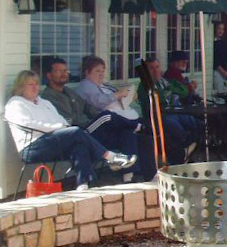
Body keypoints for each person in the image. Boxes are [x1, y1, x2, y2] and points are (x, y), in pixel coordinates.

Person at [6, 70, 136, 190]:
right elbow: (29, 124)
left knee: (78, 145)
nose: (35, 87)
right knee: (75, 132)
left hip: (52, 140)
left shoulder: (43, 102)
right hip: (32, 146)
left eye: (36, 84)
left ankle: (83, 186)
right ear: (21, 87)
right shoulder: (16, 104)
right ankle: (111, 157)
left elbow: (61, 119)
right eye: (30, 84)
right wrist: (58, 128)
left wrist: (62, 127)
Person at [41, 57, 142, 182]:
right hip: (77, 131)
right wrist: (101, 119)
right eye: (59, 71)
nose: (64, 74)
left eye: (65, 70)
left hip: (91, 128)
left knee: (126, 133)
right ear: (49, 75)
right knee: (107, 115)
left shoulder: (69, 92)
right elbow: (67, 120)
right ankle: (139, 126)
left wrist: (99, 120)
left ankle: (128, 178)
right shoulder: (48, 97)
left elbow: (88, 108)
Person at [136, 57, 203, 168]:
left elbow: (185, 91)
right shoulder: (145, 85)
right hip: (156, 116)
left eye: (157, 67)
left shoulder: (165, 81)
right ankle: (180, 157)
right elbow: (159, 100)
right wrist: (170, 90)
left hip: (175, 111)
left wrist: (172, 88)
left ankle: (185, 152)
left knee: (199, 125)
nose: (155, 70)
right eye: (151, 68)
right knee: (178, 130)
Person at [74, 55, 140, 121]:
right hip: (113, 121)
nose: (101, 74)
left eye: (103, 71)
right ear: (87, 72)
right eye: (98, 71)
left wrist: (129, 95)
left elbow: (118, 98)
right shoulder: (86, 85)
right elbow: (99, 101)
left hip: (128, 117)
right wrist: (118, 94)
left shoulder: (104, 86)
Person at [212, 21, 227, 98]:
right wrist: (223, 72)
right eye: (219, 29)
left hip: (226, 71)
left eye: (222, 29)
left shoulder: (224, 43)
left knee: (225, 92)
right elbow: (215, 60)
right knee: (219, 93)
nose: (221, 31)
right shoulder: (212, 43)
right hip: (217, 71)